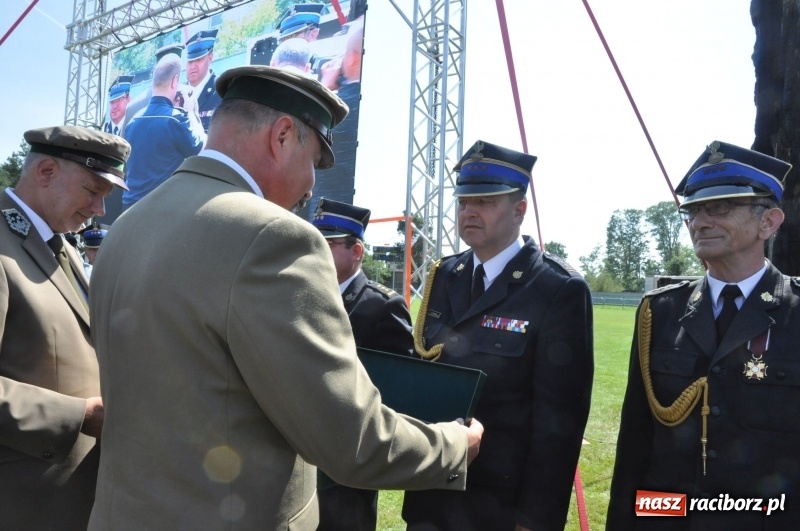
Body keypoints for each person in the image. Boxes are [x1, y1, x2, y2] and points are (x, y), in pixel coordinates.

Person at [87, 65, 484, 530]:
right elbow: (352, 441)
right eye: (314, 160)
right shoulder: (273, 237)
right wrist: (455, 445)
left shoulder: (127, 228)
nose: (312, 185)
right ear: (281, 136)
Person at [607, 141, 800, 530]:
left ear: (769, 222)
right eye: (693, 210)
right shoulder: (659, 312)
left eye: (720, 207)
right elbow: (635, 448)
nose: (700, 221)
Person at [403, 140, 594, 531]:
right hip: (433, 494)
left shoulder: (557, 288)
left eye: (486, 202)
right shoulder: (446, 275)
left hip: (499, 506)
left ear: (519, 209)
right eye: (463, 202)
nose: (469, 212)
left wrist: (536, 519)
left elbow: (559, 422)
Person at [0, 125, 130, 530]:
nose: (99, 210)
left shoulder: (60, 246)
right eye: (92, 191)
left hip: (72, 501)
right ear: (46, 172)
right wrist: (78, 416)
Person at [312, 197, 415, 531]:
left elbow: (399, 389)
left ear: (356, 252)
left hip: (347, 466)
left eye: (327, 244)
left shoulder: (383, 307)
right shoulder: (300, 294)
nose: (316, 250)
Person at [122, 52, 206, 210]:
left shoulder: (132, 121)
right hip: (160, 212)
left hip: (129, 210)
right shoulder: (178, 120)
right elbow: (201, 149)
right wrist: (190, 111)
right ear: (175, 81)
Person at [185, 29, 221, 131]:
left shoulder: (221, 91)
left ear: (210, 58)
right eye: (190, 61)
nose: (193, 66)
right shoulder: (178, 94)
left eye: (199, 60)